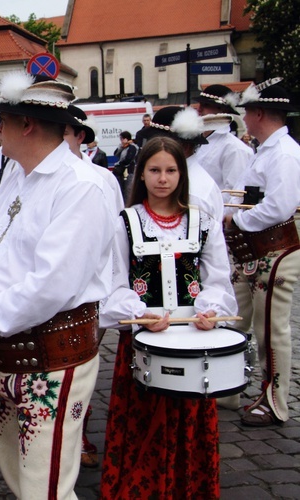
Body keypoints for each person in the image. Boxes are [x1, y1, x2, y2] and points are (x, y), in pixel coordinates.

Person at [0, 74, 114, 499]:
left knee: (44, 488)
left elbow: (51, 286)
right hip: (4, 351)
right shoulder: (18, 174)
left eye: (4, 122)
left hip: (52, 356)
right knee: (22, 481)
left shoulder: (81, 186)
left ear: (27, 124)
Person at [99, 137, 237, 499]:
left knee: (188, 416)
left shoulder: (202, 222)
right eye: (155, 170)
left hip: (193, 340)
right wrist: (139, 312)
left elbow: (218, 279)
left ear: (182, 173)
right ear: (141, 174)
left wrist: (209, 309)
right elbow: (113, 283)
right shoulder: (125, 223)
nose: (163, 178)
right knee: (143, 416)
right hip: (144, 340)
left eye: (171, 170)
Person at [225, 80, 300, 426]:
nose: (245, 119)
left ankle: (275, 401)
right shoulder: (268, 150)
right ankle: (230, 387)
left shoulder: (284, 153)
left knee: (270, 327)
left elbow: (279, 207)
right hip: (258, 249)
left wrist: (238, 218)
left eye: (247, 113)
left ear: (257, 113)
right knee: (238, 315)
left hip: (277, 248)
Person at [65, 104, 124, 469]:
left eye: (65, 133)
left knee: (84, 371)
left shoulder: (101, 178)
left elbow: (116, 238)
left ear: (79, 137)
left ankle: (80, 432)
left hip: (89, 293)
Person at [193, 84, 254, 201]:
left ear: (223, 110)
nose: (199, 110)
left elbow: (234, 194)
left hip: (214, 215)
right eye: (200, 105)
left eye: (206, 105)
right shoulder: (196, 143)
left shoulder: (234, 148)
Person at [112, 131, 137, 198]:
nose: (121, 140)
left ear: (127, 139)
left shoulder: (132, 147)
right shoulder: (122, 147)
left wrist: (120, 163)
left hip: (128, 170)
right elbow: (115, 154)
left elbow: (128, 159)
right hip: (121, 171)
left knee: (127, 189)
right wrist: (120, 146)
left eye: (123, 139)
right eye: (121, 139)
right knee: (121, 188)